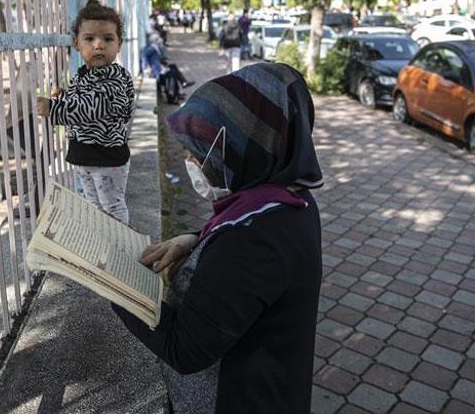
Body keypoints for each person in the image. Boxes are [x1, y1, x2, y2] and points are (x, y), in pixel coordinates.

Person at [112, 62, 324, 413]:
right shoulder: (288, 200)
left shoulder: (253, 239)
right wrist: (196, 238)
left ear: (247, 147)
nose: (190, 159)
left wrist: (115, 288)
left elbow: (185, 349)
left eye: (202, 148)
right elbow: (252, 261)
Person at [35, 0, 134, 224]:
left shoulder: (115, 77)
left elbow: (94, 107)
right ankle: (100, 244)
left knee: (112, 206)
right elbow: (80, 100)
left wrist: (54, 108)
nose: (98, 45)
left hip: (107, 157)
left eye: (107, 39)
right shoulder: (83, 74)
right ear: (77, 43)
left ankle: (121, 249)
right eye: (89, 39)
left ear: (119, 44)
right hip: (84, 154)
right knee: (93, 205)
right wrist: (63, 96)